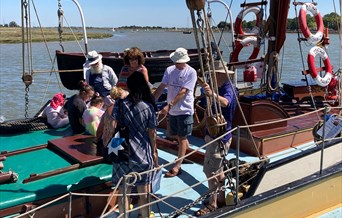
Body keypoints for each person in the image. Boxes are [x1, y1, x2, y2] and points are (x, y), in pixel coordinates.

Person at [104, 71, 158, 217]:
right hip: (142, 154)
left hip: (122, 153)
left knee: (123, 193)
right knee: (144, 193)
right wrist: (154, 152)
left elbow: (111, 126)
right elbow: (152, 133)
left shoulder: (120, 104)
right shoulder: (148, 107)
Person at [195, 61, 238, 216]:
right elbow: (208, 109)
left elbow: (226, 102)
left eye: (213, 74)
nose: (211, 76)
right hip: (212, 134)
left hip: (220, 136)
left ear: (220, 75)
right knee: (218, 171)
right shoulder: (215, 87)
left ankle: (212, 204)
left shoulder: (229, 88)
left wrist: (211, 94)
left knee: (210, 172)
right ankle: (220, 198)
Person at [153, 47, 197, 177]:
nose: (177, 64)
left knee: (182, 138)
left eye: (179, 62)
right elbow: (162, 86)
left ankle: (177, 166)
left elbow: (183, 91)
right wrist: (151, 101)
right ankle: (187, 155)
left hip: (184, 109)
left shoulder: (191, 72)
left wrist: (169, 105)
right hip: (173, 111)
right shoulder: (169, 70)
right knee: (176, 135)